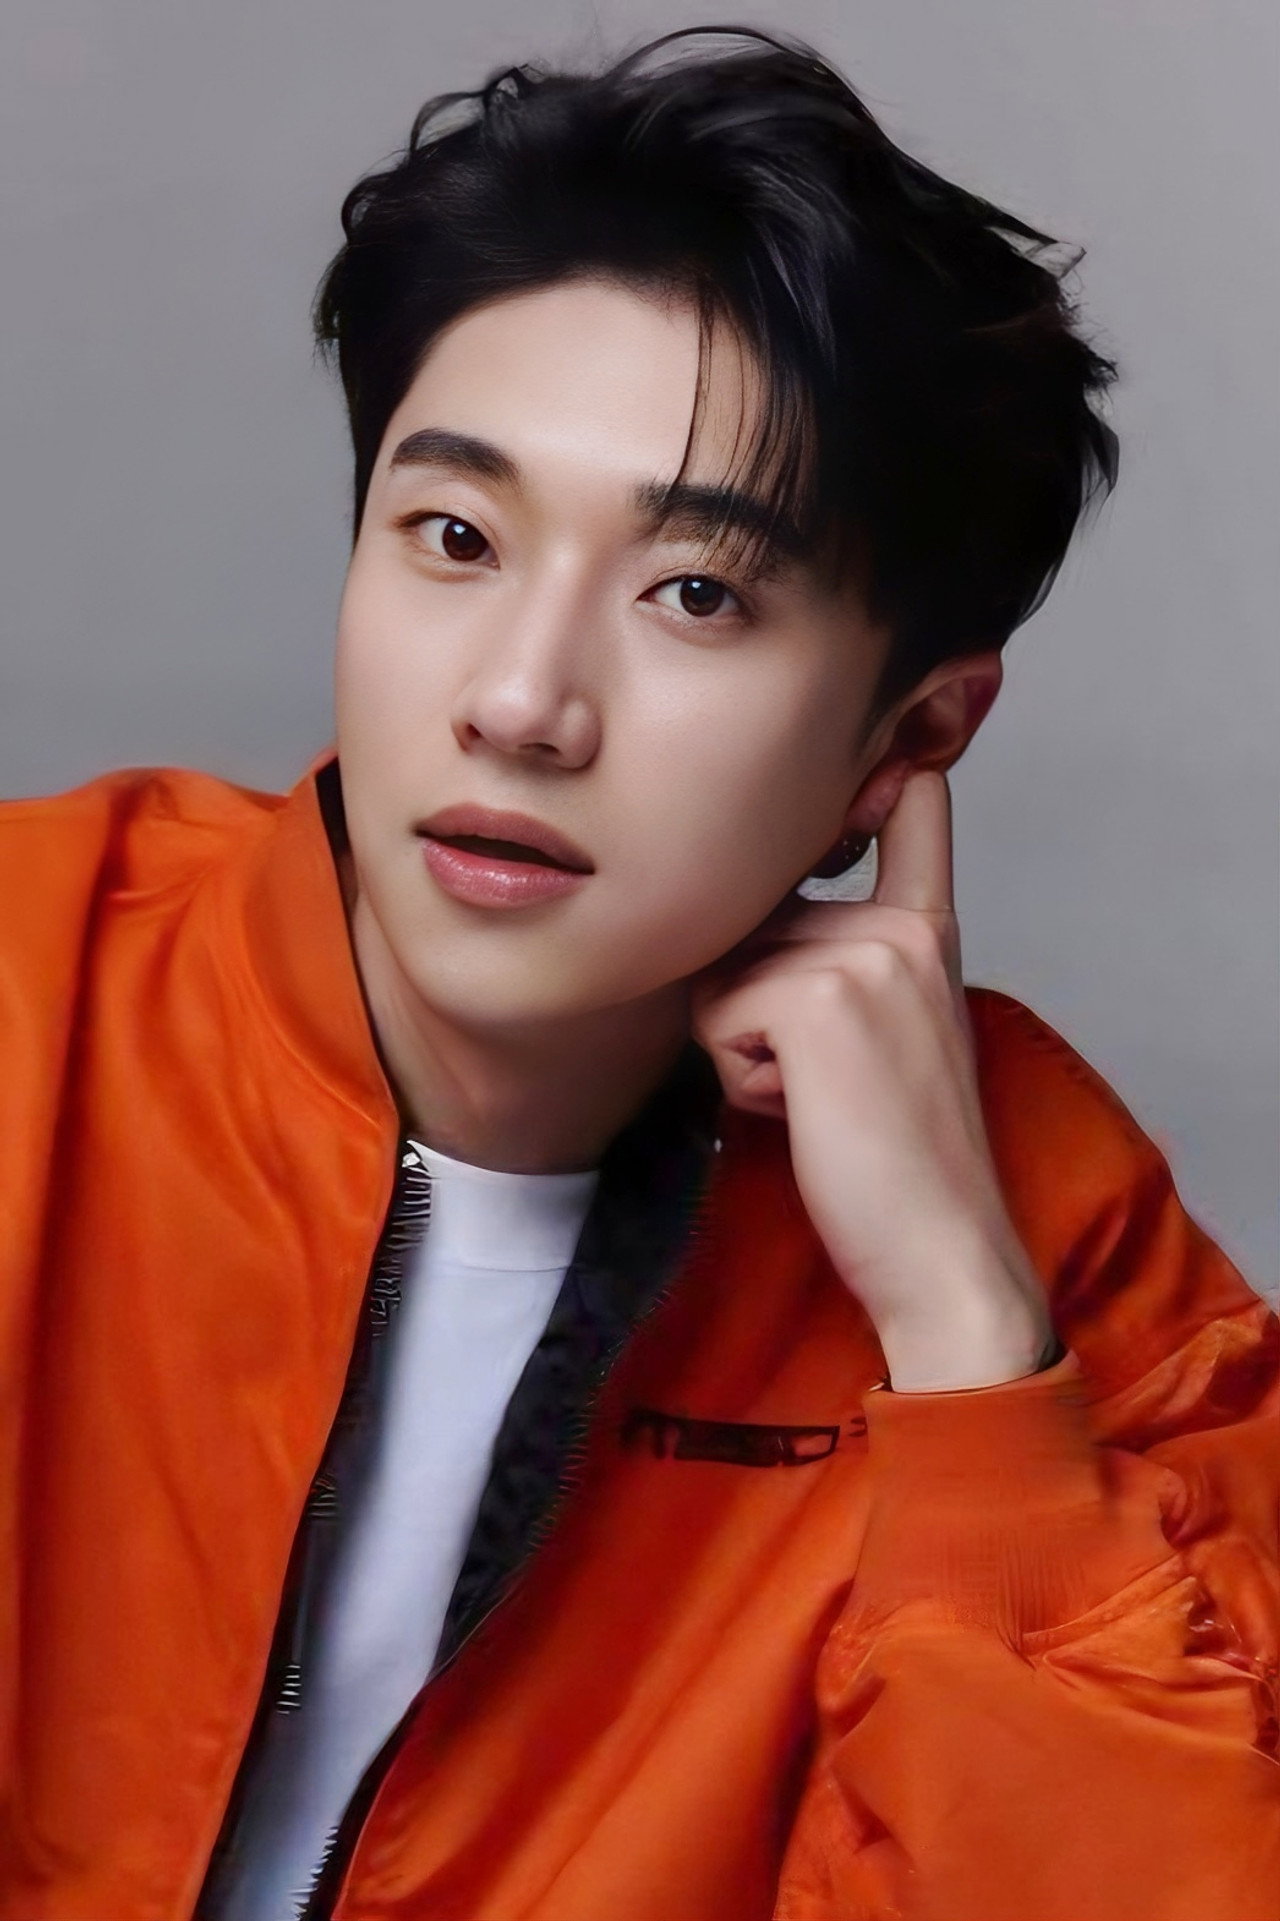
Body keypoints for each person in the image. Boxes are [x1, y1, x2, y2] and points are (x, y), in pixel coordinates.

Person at [0, 25, 1275, 1921]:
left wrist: (963, 1348)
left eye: (696, 592)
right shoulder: (35, 988)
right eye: (453, 537)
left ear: (910, 739)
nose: (520, 701)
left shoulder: (1066, 1260)